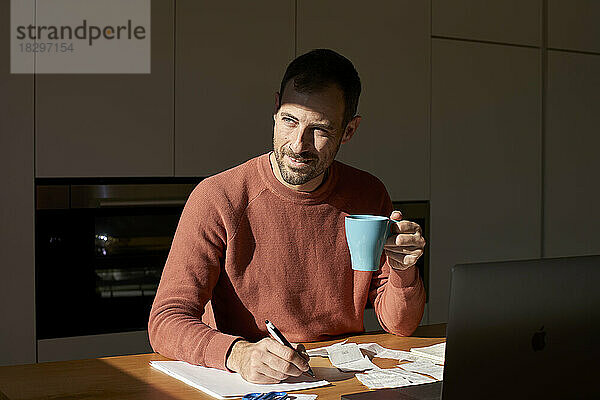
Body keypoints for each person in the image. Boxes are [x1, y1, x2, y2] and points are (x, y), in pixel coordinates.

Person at [148, 49, 426, 384]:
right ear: (276, 108)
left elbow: (400, 325)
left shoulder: (369, 193)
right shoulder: (218, 196)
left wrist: (404, 272)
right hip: (252, 379)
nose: (298, 144)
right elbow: (166, 320)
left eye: (320, 130)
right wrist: (238, 354)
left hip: (343, 377)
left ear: (348, 131)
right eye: (289, 120)